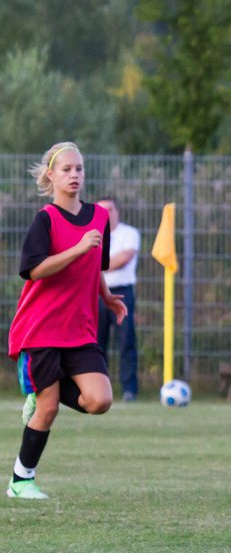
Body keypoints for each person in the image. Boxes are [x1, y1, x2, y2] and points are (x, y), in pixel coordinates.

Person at [8, 142, 127, 499]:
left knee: (99, 400)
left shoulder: (99, 218)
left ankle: (48, 388)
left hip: (79, 329)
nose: (74, 175)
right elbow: (33, 271)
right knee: (46, 409)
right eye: (66, 170)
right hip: (41, 327)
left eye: (79, 169)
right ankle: (20, 481)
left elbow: (94, 265)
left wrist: (106, 297)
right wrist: (75, 248)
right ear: (50, 175)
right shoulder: (45, 219)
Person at [95, 197, 140, 402]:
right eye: (102, 210)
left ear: (117, 211)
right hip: (96, 294)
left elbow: (124, 258)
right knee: (96, 344)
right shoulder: (91, 236)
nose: (107, 213)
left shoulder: (129, 234)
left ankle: (129, 390)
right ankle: (98, 391)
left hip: (122, 293)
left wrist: (97, 264)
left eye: (110, 209)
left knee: (126, 342)